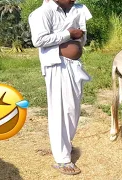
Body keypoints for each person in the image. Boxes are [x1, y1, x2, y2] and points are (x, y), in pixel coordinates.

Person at [28, 0, 92, 175]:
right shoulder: (42, 13)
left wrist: (79, 35)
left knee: (73, 109)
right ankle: (62, 160)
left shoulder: (76, 10)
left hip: (73, 66)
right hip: (56, 66)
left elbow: (81, 38)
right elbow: (38, 40)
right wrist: (68, 34)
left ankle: (64, 144)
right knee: (60, 111)